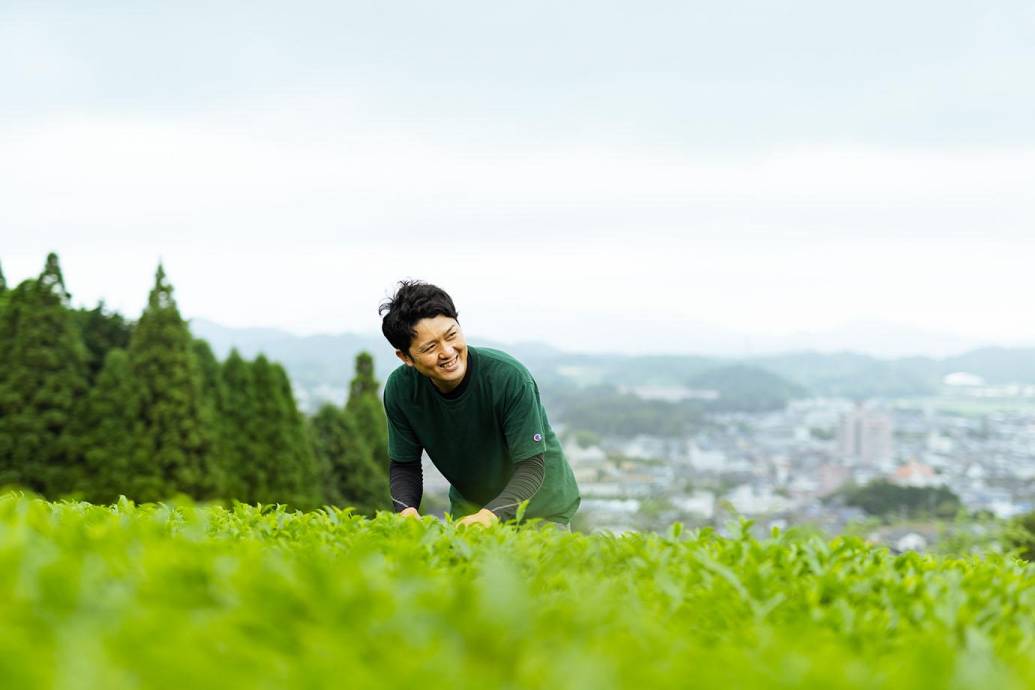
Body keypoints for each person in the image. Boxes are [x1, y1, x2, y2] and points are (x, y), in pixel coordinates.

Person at [378, 280, 581, 529]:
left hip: (542, 508)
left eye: (451, 335)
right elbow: (405, 464)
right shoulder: (402, 390)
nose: (447, 352)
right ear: (406, 357)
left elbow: (531, 467)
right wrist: (406, 510)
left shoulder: (507, 377)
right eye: (430, 347)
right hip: (471, 506)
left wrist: (490, 515)